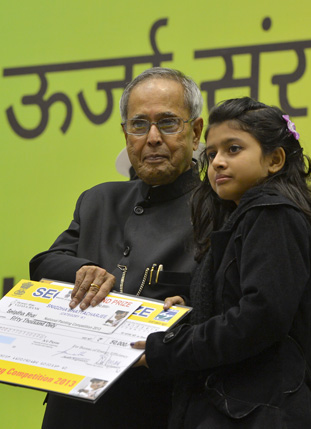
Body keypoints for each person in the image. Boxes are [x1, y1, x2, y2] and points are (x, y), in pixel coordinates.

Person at [135, 97, 311, 427]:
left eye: (233, 149)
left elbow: (259, 319)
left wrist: (170, 348)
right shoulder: (242, 219)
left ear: (275, 160)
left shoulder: (273, 216)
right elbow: (241, 306)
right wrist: (193, 308)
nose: (217, 163)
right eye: (211, 153)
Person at [30, 67, 204, 428]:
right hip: (75, 407)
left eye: (168, 123)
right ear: (125, 135)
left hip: (160, 406)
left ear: (196, 132)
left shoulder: (216, 210)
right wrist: (81, 270)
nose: (152, 138)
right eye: (138, 125)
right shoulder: (100, 199)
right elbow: (45, 263)